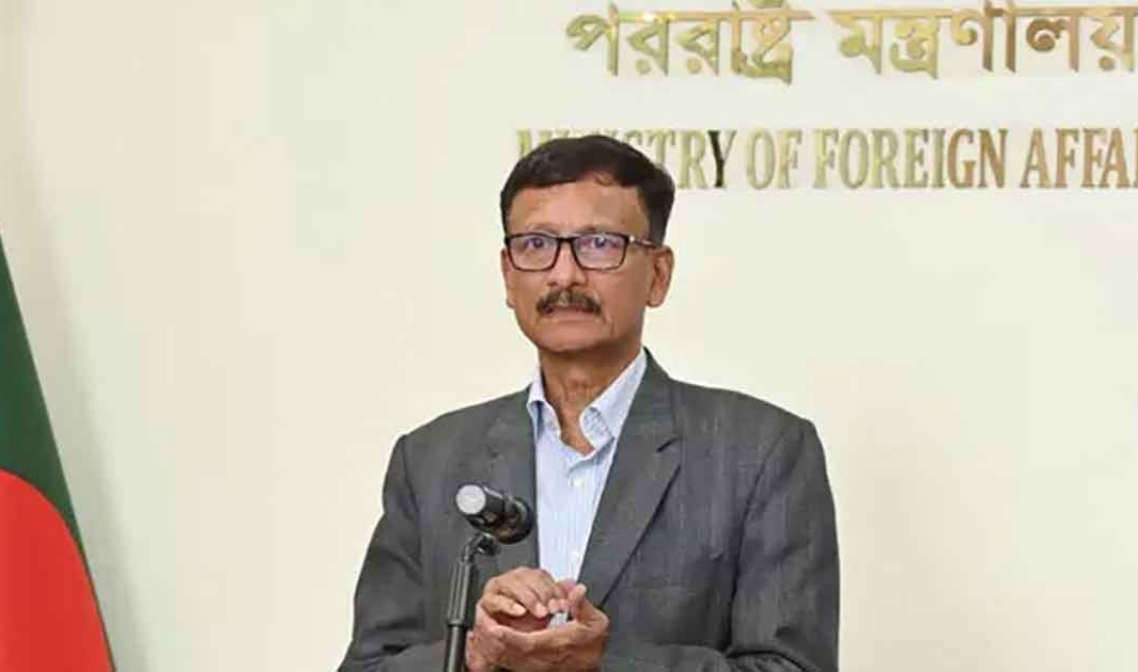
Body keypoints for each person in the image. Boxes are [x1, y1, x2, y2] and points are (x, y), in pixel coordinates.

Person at [337, 135, 840, 672]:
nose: (564, 274)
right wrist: (475, 653)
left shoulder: (759, 452)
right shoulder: (431, 459)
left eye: (599, 244)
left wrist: (603, 662)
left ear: (659, 275)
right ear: (508, 275)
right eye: (536, 244)